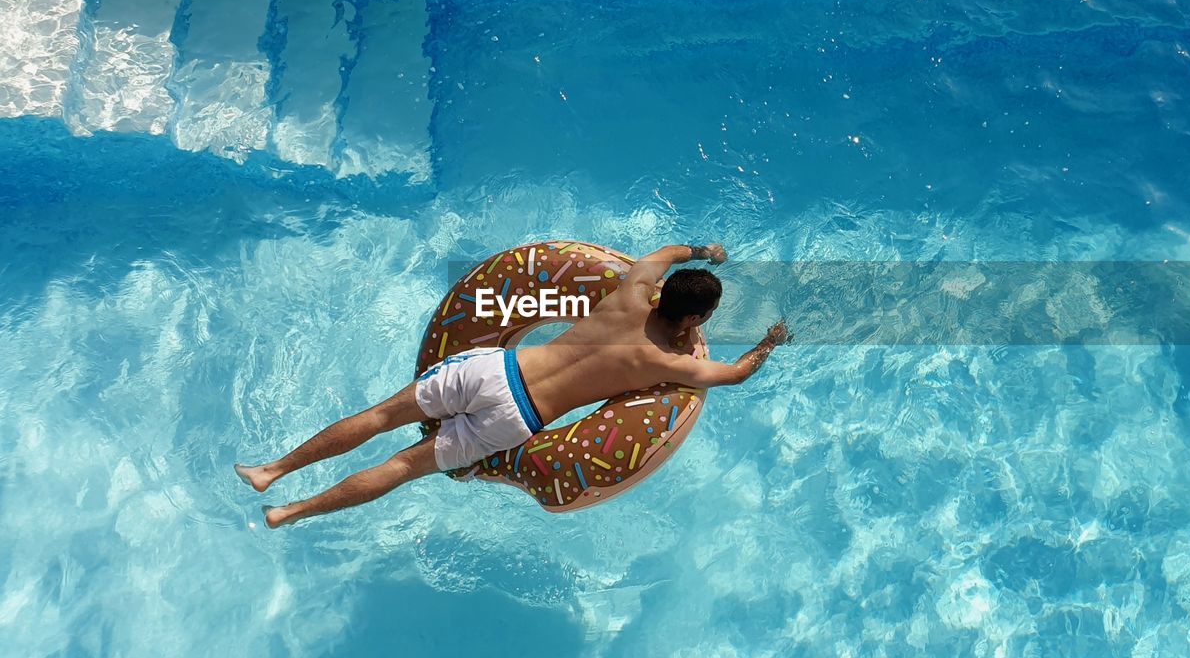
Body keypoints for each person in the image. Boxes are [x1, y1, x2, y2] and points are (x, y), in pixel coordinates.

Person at [235, 243, 788, 527]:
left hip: (498, 369)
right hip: (518, 419)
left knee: (380, 418)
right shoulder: (673, 365)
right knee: (403, 466)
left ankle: (270, 472)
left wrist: (707, 252)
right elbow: (736, 373)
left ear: (664, 292)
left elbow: (669, 252)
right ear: (694, 322)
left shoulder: (633, 287)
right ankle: (291, 513)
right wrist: (769, 342)